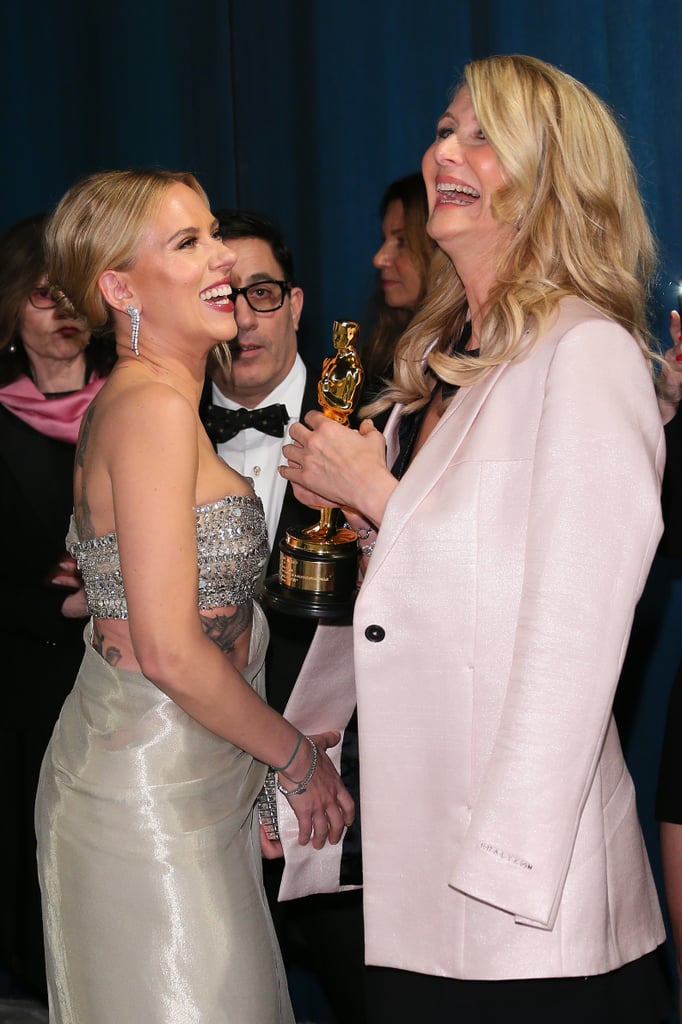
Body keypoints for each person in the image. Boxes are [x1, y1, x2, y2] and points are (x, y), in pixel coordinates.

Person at [277, 54, 671, 1023]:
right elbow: (417, 609)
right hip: (417, 892)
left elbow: (573, 637)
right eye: (445, 127)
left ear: (549, 178)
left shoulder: (587, 352)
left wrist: (503, 864)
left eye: (481, 134)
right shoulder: (451, 374)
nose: (444, 149)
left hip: (527, 920)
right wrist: (302, 762)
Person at [34, 170, 354, 1024]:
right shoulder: (151, 411)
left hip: (191, 783)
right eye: (188, 243)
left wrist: (252, 771)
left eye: (213, 232)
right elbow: (172, 650)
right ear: (118, 287)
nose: (220, 258)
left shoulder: (144, 403)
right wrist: (296, 758)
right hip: (147, 800)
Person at [199, 210, 367, 1024]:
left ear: (297, 304)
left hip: (348, 813)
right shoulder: (159, 428)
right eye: (223, 295)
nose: (241, 318)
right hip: (204, 810)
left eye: (260, 294)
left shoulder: (378, 419)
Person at [0, 214, 115, 1001]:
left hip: (131, 678)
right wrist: (57, 608)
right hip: (23, 686)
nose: (62, 310)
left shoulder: (143, 400)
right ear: (13, 307)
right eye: (44, 294)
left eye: (74, 292)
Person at [360, 172, 436, 403]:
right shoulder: (381, 351)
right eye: (384, 240)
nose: (379, 258)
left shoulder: (463, 356)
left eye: (401, 241)